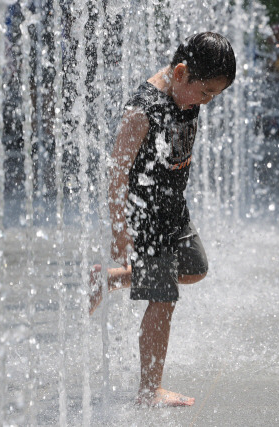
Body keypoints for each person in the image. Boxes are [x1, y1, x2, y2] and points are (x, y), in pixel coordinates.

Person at [89, 32, 236, 407]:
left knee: (195, 266)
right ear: (181, 72)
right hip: (146, 214)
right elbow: (117, 173)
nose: (206, 102)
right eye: (205, 94)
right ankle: (149, 390)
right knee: (163, 298)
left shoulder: (185, 88)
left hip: (173, 208)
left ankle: (113, 280)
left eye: (213, 96)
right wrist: (120, 230)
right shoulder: (142, 111)